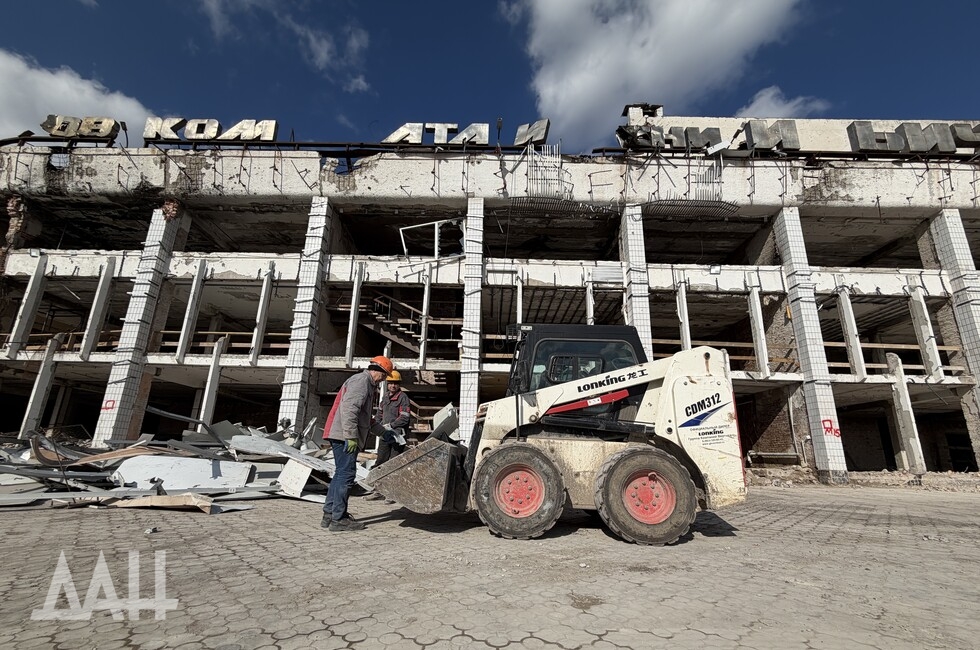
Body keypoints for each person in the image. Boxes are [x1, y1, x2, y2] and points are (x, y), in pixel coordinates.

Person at [321, 355, 394, 532]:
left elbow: (364, 419)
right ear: (378, 371)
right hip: (342, 435)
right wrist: (351, 436)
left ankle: (330, 515)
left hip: (340, 434)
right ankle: (338, 519)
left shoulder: (365, 384)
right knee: (346, 475)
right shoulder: (362, 382)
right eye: (384, 376)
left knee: (340, 475)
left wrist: (383, 432)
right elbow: (350, 410)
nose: (383, 380)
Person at [364, 369, 412, 502]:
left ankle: (391, 494)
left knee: (393, 463)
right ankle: (378, 491)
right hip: (385, 436)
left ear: (399, 384)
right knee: (381, 462)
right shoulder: (385, 397)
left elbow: (404, 418)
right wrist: (377, 427)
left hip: (397, 437)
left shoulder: (403, 398)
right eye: (390, 383)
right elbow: (379, 415)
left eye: (395, 383)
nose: (393, 386)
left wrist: (391, 425)